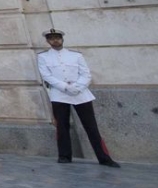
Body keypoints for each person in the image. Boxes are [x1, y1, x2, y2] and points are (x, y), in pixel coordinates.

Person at [37, 29, 120, 168]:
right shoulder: (43, 57)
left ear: (62, 39)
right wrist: (65, 87)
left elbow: (86, 74)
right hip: (59, 94)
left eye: (57, 37)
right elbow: (46, 75)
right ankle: (64, 156)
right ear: (47, 41)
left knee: (91, 127)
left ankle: (104, 157)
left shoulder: (76, 55)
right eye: (51, 38)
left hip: (81, 94)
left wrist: (77, 87)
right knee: (62, 127)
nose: (55, 40)